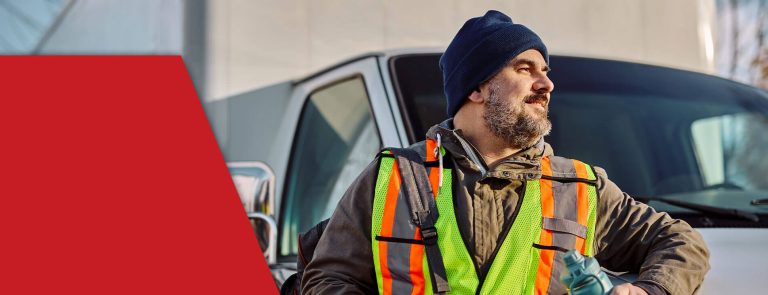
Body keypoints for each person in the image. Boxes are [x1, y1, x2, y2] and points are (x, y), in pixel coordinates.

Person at [302, 10, 709, 295]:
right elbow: (328, 279)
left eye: (545, 72)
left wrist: (649, 290)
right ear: (477, 89)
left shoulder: (581, 188)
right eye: (524, 69)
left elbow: (681, 242)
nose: (546, 84)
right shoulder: (393, 178)